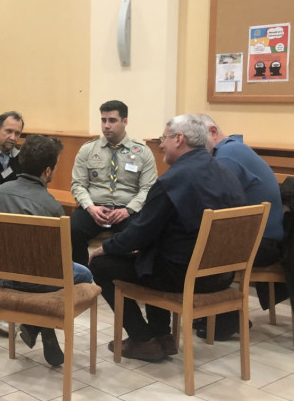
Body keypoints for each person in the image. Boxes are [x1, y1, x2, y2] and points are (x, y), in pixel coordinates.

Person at [89, 114, 246, 362]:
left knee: (101, 264)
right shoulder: (225, 171)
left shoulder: (172, 180)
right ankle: (162, 336)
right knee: (154, 254)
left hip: (186, 277)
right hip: (222, 276)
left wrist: (106, 247)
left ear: (179, 139)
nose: (161, 145)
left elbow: (140, 232)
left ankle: (143, 339)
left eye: (164, 138)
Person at [0, 135, 95, 367]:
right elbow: (60, 259)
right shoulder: (51, 206)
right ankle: (39, 322)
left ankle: (35, 325)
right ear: (47, 171)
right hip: (40, 281)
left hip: (2, 277)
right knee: (85, 273)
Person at [197, 115, 287, 340]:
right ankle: (213, 313)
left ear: (213, 132)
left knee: (199, 251)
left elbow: (216, 203)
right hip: (264, 238)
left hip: (263, 243)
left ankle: (228, 317)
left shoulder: (227, 156)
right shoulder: (232, 149)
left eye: (198, 138)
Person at [70, 100, 157, 266]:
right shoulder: (88, 150)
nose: (106, 126)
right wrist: (90, 207)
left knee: (141, 232)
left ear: (125, 121)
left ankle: (114, 272)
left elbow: (148, 188)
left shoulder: (142, 152)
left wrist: (128, 210)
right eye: (103, 120)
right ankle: (81, 273)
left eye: (112, 120)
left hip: (127, 210)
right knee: (72, 228)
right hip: (95, 207)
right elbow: (78, 184)